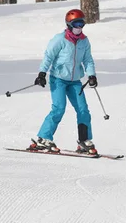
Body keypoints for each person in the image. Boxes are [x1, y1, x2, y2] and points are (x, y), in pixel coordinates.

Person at [29, 9, 98, 155]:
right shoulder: (60, 39)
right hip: (58, 79)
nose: (79, 27)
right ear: (69, 24)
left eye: (82, 23)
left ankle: (84, 140)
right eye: (76, 23)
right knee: (59, 108)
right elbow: (48, 56)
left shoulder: (84, 41)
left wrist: (91, 75)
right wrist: (42, 73)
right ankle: (43, 138)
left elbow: (87, 59)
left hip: (75, 82)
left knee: (83, 110)